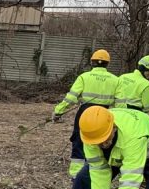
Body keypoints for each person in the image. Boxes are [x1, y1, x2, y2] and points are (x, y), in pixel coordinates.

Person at [51, 49, 119, 178]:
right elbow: (118, 102)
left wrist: (58, 111)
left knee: (79, 139)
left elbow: (71, 98)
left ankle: (76, 173)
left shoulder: (84, 77)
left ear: (92, 62)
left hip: (86, 112)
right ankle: (99, 170)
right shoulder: (116, 80)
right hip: (105, 113)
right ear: (107, 64)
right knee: (104, 140)